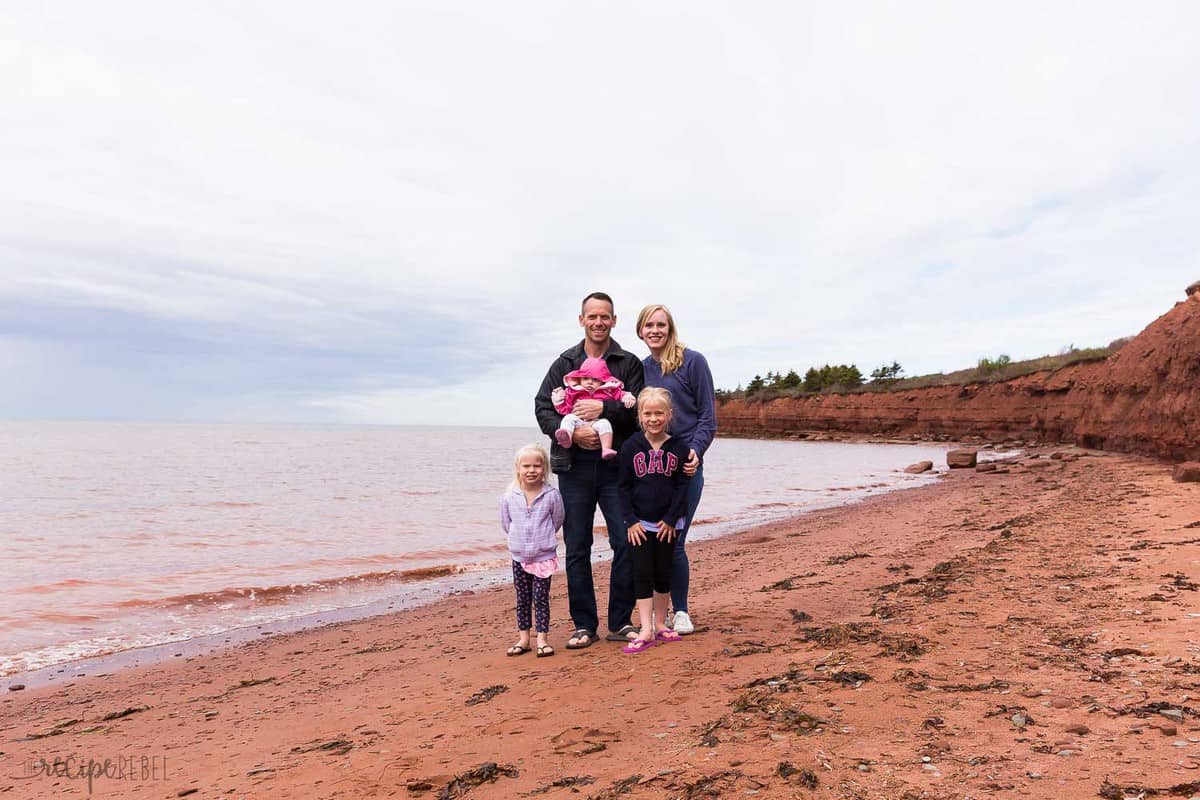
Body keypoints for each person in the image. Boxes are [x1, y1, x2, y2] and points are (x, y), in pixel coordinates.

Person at [535, 292, 645, 649]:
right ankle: (584, 625)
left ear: (614, 320)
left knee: (625, 542)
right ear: (581, 319)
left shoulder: (628, 363)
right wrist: (573, 433)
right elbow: (542, 408)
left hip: (617, 469)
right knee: (578, 547)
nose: (599, 322)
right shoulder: (565, 361)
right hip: (574, 469)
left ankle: (620, 622)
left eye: (605, 317)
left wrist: (604, 409)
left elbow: (639, 412)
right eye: (592, 316)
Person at [635, 304, 717, 635]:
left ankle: (680, 611)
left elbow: (708, 418)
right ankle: (656, 614)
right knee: (651, 541)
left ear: (670, 328)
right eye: (649, 325)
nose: (655, 330)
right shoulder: (639, 369)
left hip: (684, 466)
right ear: (640, 331)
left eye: (661, 325)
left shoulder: (693, 361)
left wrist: (695, 451)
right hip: (650, 469)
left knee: (675, 539)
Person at [617, 387, 691, 654]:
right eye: (648, 413)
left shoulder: (679, 447)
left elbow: (683, 486)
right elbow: (623, 487)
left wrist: (672, 518)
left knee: (663, 572)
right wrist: (630, 521)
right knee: (642, 573)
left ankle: (661, 623)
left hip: (667, 525)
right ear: (640, 415)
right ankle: (646, 628)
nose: (654, 419)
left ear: (669, 414)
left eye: (659, 413)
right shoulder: (631, 446)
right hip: (640, 525)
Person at [500, 444, 564, 658]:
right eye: (526, 466)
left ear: (544, 468)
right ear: (518, 468)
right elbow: (506, 523)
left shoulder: (551, 495)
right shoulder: (510, 495)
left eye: (537, 466)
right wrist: (519, 541)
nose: (531, 470)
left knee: (541, 598)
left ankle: (542, 639)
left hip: (543, 557)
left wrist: (543, 539)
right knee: (522, 598)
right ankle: (524, 638)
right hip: (519, 556)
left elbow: (557, 519)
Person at [552, 357, 637, 460]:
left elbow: (622, 394)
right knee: (568, 418)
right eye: (585, 378)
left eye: (595, 380)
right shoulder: (573, 391)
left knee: (605, 424)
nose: (590, 382)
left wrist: (628, 398)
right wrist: (559, 399)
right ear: (579, 379)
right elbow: (566, 408)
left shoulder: (609, 390)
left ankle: (606, 449)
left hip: (597, 421)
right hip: (579, 422)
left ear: (602, 381)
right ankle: (568, 436)